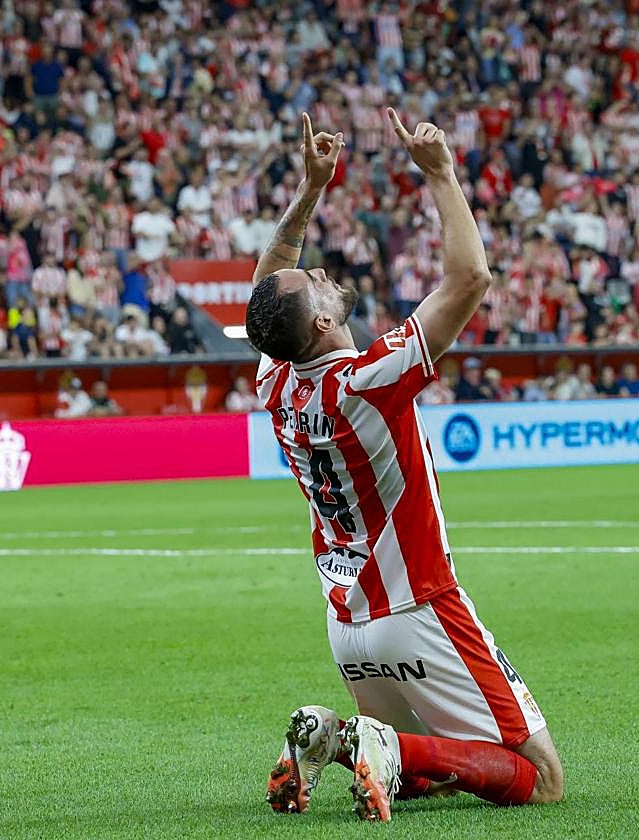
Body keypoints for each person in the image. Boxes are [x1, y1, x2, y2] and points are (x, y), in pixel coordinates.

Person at [249, 112, 562, 823]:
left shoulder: (279, 381)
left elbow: (267, 295)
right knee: (540, 780)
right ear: (323, 326)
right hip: (418, 603)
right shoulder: (367, 380)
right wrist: (441, 174)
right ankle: (387, 749)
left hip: (347, 620)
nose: (323, 275)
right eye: (317, 285)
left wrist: (310, 190)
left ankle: (335, 738)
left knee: (430, 755)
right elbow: (471, 276)